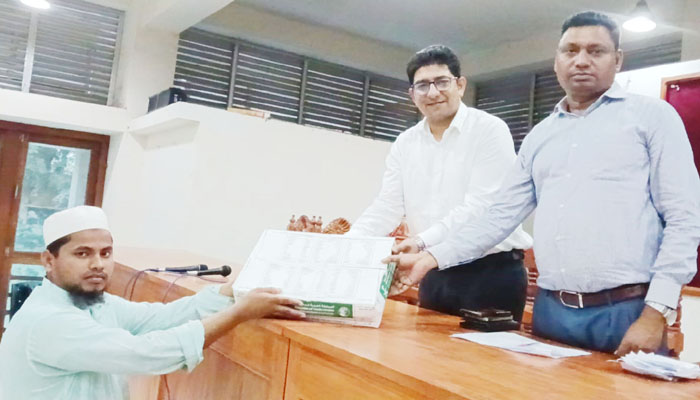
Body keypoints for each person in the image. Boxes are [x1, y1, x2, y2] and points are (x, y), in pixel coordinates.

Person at [385, 11, 700, 355]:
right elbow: (498, 217)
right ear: (556, 61)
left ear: (618, 59)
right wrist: (430, 258)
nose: (581, 61)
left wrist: (656, 313)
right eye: (570, 50)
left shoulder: (653, 118)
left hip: (626, 310)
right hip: (552, 313)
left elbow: (684, 218)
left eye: (596, 51)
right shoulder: (540, 136)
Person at [0, 205, 305, 399]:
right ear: (48, 260)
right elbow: (146, 353)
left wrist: (231, 292)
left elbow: (161, 317)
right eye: (83, 254)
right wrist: (239, 313)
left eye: (106, 253)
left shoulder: (94, 304)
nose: (98, 264)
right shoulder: (48, 320)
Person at [347, 45, 532, 319]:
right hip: (432, 270)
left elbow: (480, 207)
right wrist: (349, 244)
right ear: (412, 95)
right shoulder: (405, 143)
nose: (432, 93)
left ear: (460, 85)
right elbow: (387, 205)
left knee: (481, 349)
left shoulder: (489, 130)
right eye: (422, 85)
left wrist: (421, 242)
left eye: (442, 82)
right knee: (424, 346)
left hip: (490, 272)